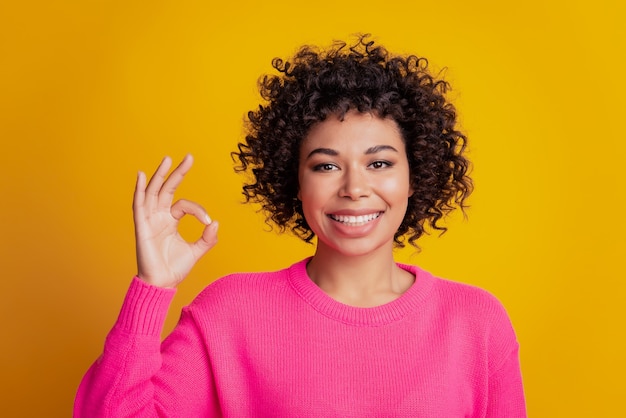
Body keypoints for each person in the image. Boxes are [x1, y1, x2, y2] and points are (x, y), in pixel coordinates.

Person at [74, 35, 526, 417]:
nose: (354, 188)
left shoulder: (477, 323)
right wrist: (152, 289)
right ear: (296, 182)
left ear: (414, 176)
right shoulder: (230, 313)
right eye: (326, 167)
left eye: (380, 163)